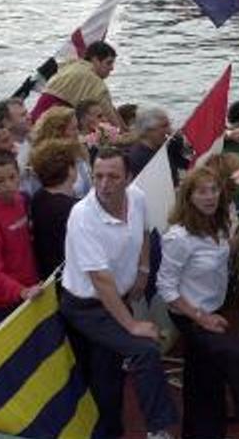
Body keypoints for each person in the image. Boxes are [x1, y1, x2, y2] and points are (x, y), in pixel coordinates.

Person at [59, 147, 178, 439]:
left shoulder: (136, 197)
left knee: (107, 377)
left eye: (113, 177)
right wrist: (133, 324)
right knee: (144, 350)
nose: (103, 184)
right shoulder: (82, 215)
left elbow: (146, 232)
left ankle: (109, 432)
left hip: (117, 300)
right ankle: (158, 428)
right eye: (98, 176)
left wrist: (143, 271)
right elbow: (100, 280)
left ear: (129, 177)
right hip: (86, 307)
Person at [157, 167, 239, 439]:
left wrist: (238, 240)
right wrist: (200, 317)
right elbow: (166, 288)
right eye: (202, 191)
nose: (210, 197)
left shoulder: (217, 226)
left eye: (214, 190)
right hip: (189, 315)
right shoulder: (178, 238)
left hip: (214, 308)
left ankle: (199, 433)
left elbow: (218, 255)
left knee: (204, 380)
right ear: (189, 197)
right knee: (235, 356)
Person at [0, 151, 41, 325]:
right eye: (0, 181)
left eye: (12, 177)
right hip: (6, 300)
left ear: (19, 174)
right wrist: (21, 291)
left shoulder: (21, 200)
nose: (9, 185)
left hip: (31, 289)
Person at [31, 41, 124, 126]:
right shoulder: (92, 80)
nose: (112, 68)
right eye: (109, 63)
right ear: (95, 60)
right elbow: (108, 113)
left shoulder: (72, 65)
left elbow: (108, 104)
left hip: (35, 119)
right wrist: (123, 132)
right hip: (49, 124)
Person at [29, 139, 81, 279]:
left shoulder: (38, 198)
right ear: (70, 170)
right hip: (72, 279)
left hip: (49, 277)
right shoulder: (74, 208)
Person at [32, 106, 91, 197]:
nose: (78, 133)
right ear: (59, 132)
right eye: (73, 129)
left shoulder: (80, 151)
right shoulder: (47, 161)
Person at [127, 107, 172, 174]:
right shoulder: (138, 158)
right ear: (147, 130)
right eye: (164, 126)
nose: (170, 130)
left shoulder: (163, 148)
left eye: (169, 125)